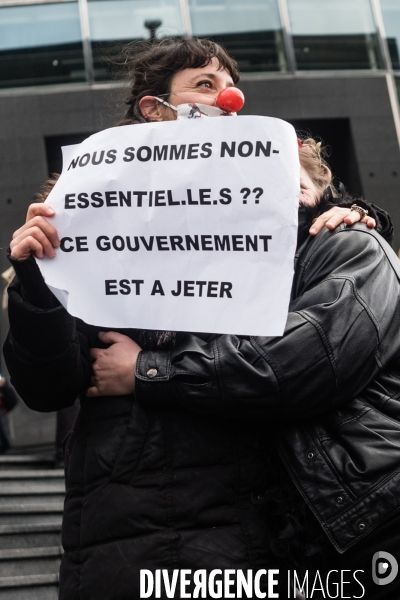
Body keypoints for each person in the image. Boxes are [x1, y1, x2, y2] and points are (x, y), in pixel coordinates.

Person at [4, 38, 400, 600]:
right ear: (153, 109)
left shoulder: (312, 233)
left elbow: (303, 358)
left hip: (249, 520)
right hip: (124, 525)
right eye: (205, 85)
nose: (228, 98)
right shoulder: (93, 225)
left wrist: (148, 369)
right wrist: (37, 282)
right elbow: (48, 386)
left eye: (230, 84)